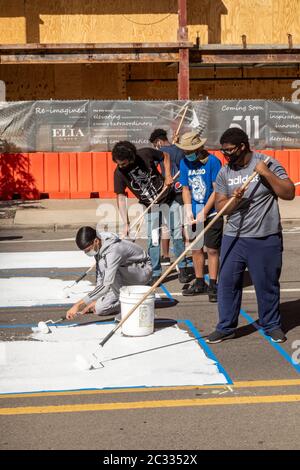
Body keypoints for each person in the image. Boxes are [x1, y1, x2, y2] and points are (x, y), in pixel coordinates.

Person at [206, 127, 295, 344]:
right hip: (234, 237)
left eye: (229, 151)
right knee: (227, 282)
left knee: (266, 284)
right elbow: (220, 207)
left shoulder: (267, 163)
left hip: (265, 237)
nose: (225, 156)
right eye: (223, 151)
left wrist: (265, 173)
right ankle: (225, 327)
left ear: (242, 147)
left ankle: (272, 324)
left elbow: (289, 192)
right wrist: (233, 201)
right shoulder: (225, 172)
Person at [112, 140, 191, 285]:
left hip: (168, 198)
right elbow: (121, 197)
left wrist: (167, 175)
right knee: (153, 240)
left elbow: (165, 156)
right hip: (150, 206)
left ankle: (183, 267)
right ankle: (155, 272)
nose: (121, 166)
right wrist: (126, 223)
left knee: (177, 234)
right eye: (118, 164)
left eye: (123, 163)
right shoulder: (118, 173)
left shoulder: (145, 154)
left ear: (132, 157)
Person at [176, 131, 223, 302]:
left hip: (212, 212)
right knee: (196, 249)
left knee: (212, 249)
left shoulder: (213, 162)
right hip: (194, 213)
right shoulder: (184, 163)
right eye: (185, 151)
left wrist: (205, 212)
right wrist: (188, 210)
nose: (187, 154)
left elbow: (216, 189)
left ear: (199, 148)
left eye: (190, 151)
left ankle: (213, 283)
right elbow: (186, 189)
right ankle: (199, 281)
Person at [66, 226, 152, 319]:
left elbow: (105, 284)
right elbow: (100, 277)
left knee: (107, 268)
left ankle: (126, 305)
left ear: (96, 241)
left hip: (142, 270)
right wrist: (96, 300)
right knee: (100, 308)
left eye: (87, 250)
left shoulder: (113, 251)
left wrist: (78, 305)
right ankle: (135, 300)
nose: (87, 253)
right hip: (123, 273)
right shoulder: (99, 246)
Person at [149, 128, 185, 266]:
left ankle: (165, 255)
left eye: (154, 144)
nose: (155, 147)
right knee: (179, 224)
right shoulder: (179, 149)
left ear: (158, 142)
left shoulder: (161, 152)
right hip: (181, 188)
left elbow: (155, 166)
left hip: (168, 189)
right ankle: (183, 254)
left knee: (166, 224)